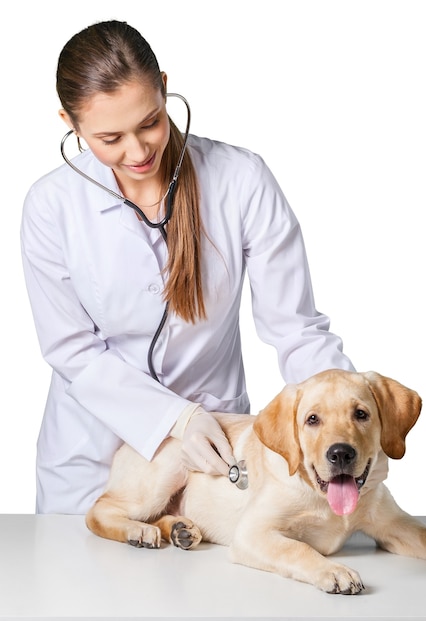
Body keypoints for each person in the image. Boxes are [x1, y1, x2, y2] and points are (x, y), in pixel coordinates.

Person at [20, 20, 355, 515]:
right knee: (84, 584)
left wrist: (349, 417)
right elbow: (73, 350)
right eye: (110, 137)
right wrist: (175, 418)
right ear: (69, 123)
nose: (137, 152)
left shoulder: (241, 181)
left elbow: (296, 329)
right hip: (91, 453)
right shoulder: (51, 207)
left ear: (165, 88)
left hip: (212, 456)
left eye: (150, 122)